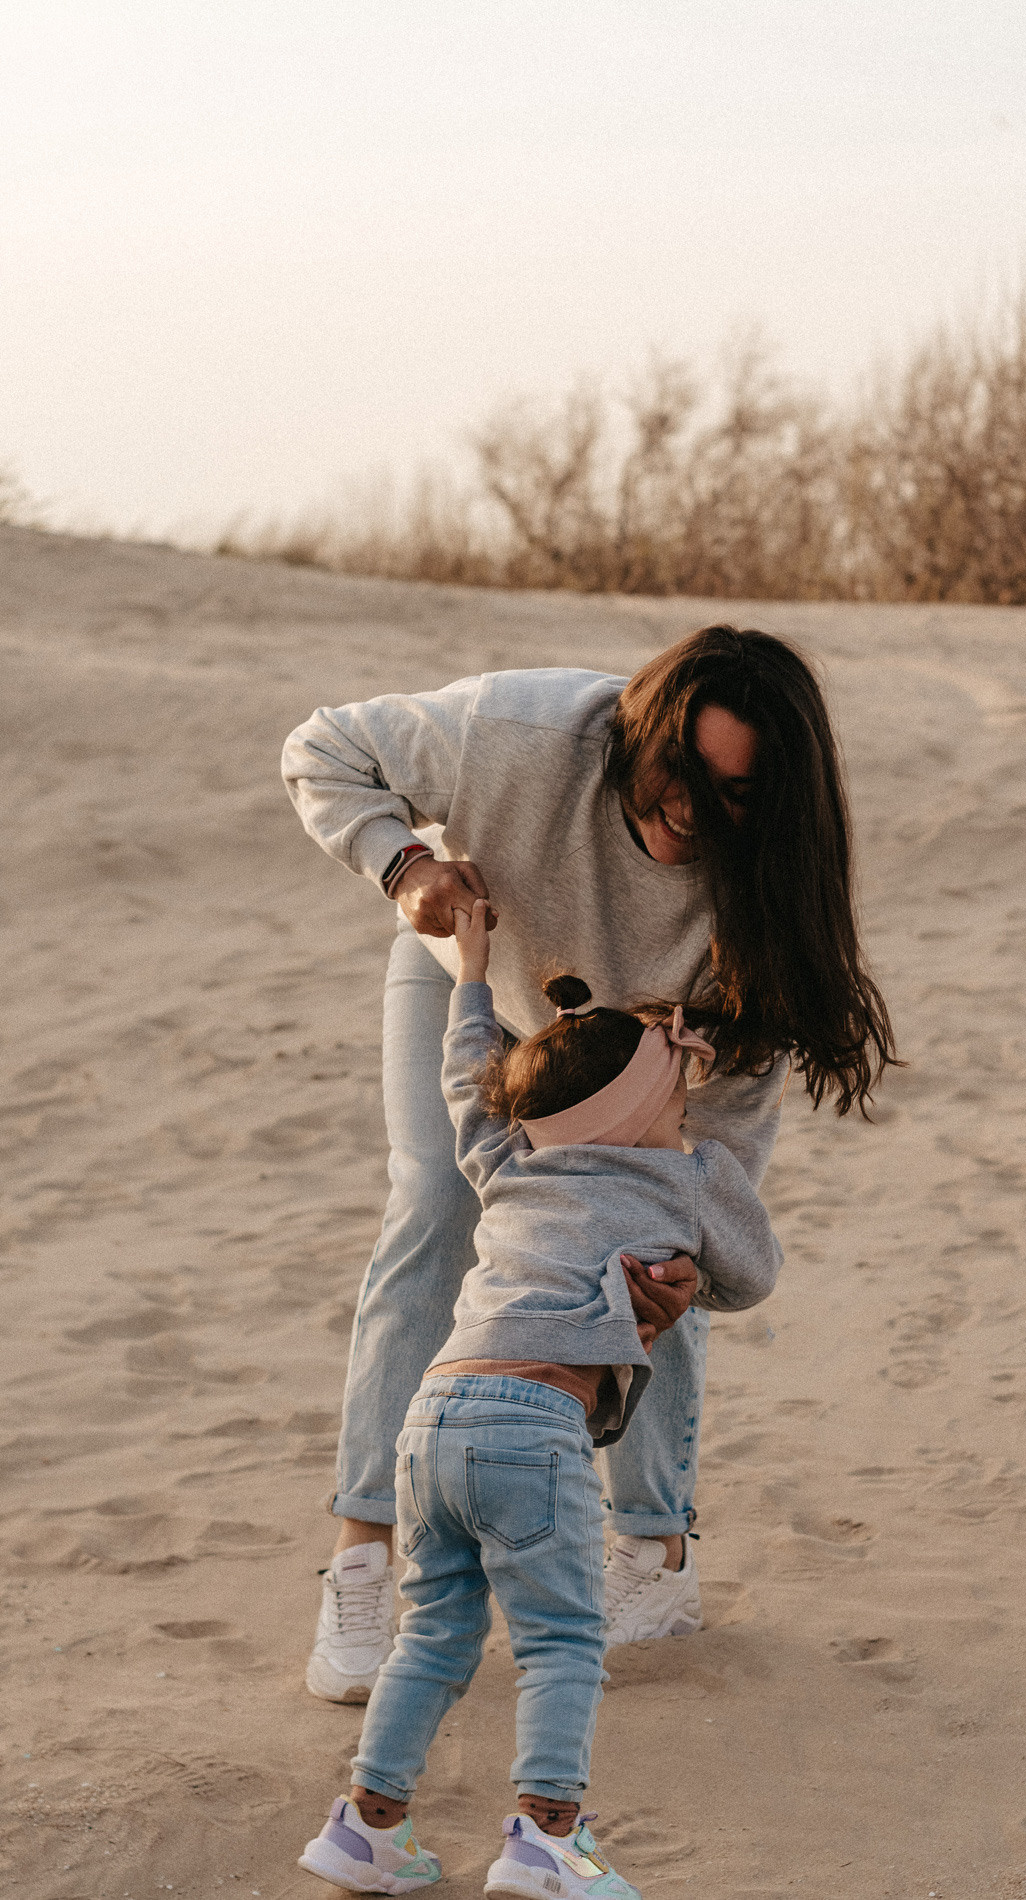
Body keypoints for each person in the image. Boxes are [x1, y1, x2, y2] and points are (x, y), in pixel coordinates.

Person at [282, 625, 893, 1696]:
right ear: (636, 729)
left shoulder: (772, 888)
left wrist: (688, 1258)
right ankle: (365, 1556)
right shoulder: (516, 734)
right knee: (434, 1206)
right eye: (677, 770)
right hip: (477, 977)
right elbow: (322, 748)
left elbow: (727, 1146)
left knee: (657, 1243)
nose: (694, 810)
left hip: (643, 1048)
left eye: (734, 794)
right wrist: (405, 864)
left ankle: (651, 1555)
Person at [298, 902, 782, 1898]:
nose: (685, 1111)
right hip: (534, 1431)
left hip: (431, 1422)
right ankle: (544, 1835)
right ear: (639, 1113)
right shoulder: (674, 1178)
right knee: (560, 1640)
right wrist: (705, 1160)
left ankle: (368, 1826)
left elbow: (465, 1075)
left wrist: (472, 971)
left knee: (433, 1636)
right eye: (676, 1098)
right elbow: (752, 1273)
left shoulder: (505, 1158)